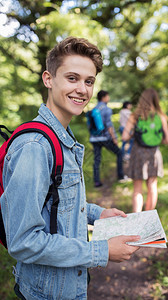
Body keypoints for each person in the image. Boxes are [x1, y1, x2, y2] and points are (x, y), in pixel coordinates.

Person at [0, 37, 141, 300]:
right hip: (45, 293)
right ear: (48, 79)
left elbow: (56, 200)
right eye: (72, 78)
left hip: (67, 285)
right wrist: (101, 251)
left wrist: (99, 214)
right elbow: (23, 242)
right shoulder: (35, 147)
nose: (82, 90)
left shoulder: (62, 138)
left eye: (89, 81)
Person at [122, 88, 168, 212]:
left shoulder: (135, 116)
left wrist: (133, 133)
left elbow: (124, 137)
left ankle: (137, 218)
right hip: (154, 154)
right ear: (156, 100)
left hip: (138, 152)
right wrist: (156, 139)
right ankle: (149, 217)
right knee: (152, 185)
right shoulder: (160, 117)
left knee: (137, 189)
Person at [89, 90, 129, 187]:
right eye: (108, 96)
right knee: (119, 153)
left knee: (97, 159)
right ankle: (120, 176)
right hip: (105, 138)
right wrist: (114, 138)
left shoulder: (94, 109)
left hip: (94, 138)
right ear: (104, 97)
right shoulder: (106, 109)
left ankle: (97, 182)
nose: (109, 98)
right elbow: (109, 126)